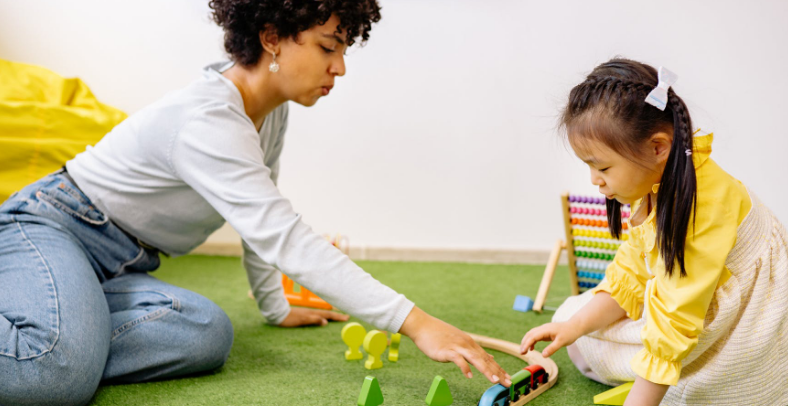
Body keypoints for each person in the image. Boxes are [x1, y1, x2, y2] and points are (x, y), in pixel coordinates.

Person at [0, 2, 510, 405]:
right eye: (329, 46)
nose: (341, 67)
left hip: (117, 265)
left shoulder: (268, 113)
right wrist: (416, 322)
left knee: (206, 334)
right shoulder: (207, 119)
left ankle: (61, 337)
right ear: (271, 39)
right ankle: (58, 349)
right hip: (50, 227)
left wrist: (275, 306)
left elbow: (259, 218)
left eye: (345, 49)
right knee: (54, 376)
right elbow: (283, 235)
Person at [520, 58, 788, 406]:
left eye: (602, 167)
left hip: (743, 325)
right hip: (689, 305)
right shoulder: (654, 180)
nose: (594, 180)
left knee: (675, 374)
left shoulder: (698, 209)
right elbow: (631, 270)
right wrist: (575, 327)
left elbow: (677, 320)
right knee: (571, 319)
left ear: (658, 147)